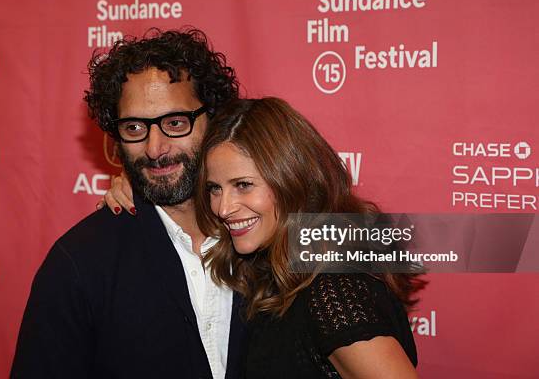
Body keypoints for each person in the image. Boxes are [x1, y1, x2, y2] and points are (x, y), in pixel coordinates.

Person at [104, 97, 425, 378]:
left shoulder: (332, 286)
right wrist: (143, 187)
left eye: (243, 185)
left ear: (292, 180)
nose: (224, 207)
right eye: (215, 188)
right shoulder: (277, 269)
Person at [11, 28, 246, 379]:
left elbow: (354, 245)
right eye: (135, 128)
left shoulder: (264, 231)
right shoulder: (80, 263)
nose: (155, 148)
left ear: (215, 118)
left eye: (175, 123)